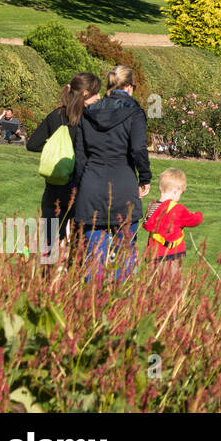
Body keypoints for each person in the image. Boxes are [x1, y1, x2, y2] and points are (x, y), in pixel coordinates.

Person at [73, 65, 152, 281]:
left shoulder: (87, 113)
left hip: (92, 184)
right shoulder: (135, 112)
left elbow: (80, 156)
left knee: (93, 255)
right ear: (128, 87)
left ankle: (91, 306)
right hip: (124, 183)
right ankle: (121, 305)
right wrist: (145, 177)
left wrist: (79, 187)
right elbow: (138, 148)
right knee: (125, 252)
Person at [25, 73, 102, 262]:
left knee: (50, 242)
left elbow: (32, 144)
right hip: (79, 190)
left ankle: (45, 281)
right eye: (95, 93)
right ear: (84, 93)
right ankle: (71, 281)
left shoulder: (56, 115)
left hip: (53, 189)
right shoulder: (90, 120)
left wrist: (54, 150)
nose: (99, 97)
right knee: (77, 244)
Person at [142, 167, 204, 267]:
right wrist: (198, 214)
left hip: (152, 255)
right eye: (181, 193)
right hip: (171, 256)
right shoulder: (178, 209)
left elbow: (147, 225)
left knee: (152, 282)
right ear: (176, 191)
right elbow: (193, 220)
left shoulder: (152, 207)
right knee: (171, 282)